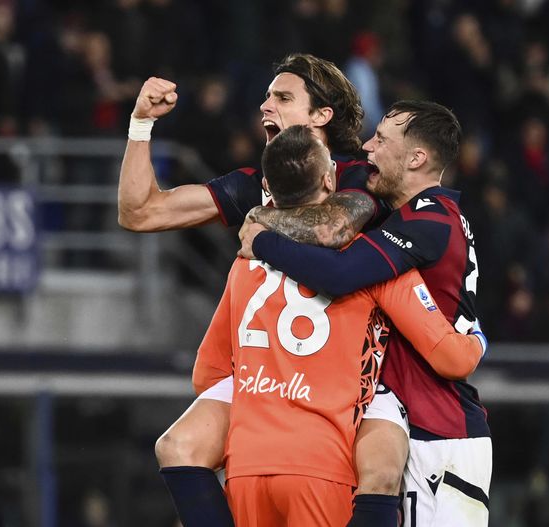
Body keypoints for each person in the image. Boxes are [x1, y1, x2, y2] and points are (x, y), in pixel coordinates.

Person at [119, 54, 412, 526]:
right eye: (267, 96)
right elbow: (141, 213)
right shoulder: (256, 184)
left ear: (322, 116)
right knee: (178, 445)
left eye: (282, 97)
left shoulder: (360, 174)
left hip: (346, 366)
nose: (264, 106)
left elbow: (334, 228)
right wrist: (139, 126)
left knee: (380, 472)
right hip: (265, 365)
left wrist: (260, 225)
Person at [196, 124, 486, 527]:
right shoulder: (371, 257)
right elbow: (450, 355)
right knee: (380, 471)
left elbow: (207, 374)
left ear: (266, 186)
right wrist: (475, 336)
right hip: (321, 466)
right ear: (331, 179)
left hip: (247, 465)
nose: (369, 147)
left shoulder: (244, 265)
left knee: (175, 447)